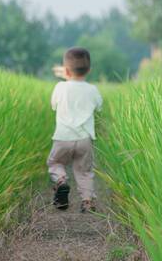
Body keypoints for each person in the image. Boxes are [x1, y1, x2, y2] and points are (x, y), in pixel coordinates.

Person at [47, 47, 103, 213]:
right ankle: (87, 201)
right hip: (84, 139)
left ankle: (61, 181)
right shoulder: (92, 89)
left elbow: (53, 106)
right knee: (84, 171)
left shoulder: (60, 87)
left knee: (55, 162)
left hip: (63, 137)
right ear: (89, 70)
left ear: (65, 70)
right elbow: (99, 106)